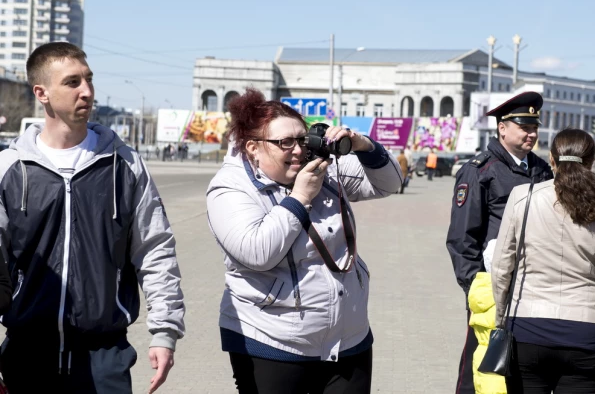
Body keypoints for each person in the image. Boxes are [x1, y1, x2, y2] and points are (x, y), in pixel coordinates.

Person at [0, 42, 185, 394]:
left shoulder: (125, 164)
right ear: (42, 93)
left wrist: (164, 332)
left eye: (89, 80)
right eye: (72, 82)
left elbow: (155, 250)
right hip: (26, 353)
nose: (87, 91)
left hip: (105, 356)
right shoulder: (10, 169)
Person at [206, 88, 402, 393]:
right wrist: (299, 197)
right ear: (253, 148)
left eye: (302, 139)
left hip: (348, 339)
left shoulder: (321, 167)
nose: (298, 150)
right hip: (271, 342)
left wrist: (363, 145)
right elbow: (258, 252)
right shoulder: (229, 189)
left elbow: (390, 183)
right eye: (284, 143)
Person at [492, 128, 595, 393]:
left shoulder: (522, 198)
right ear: (591, 161)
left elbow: (502, 268)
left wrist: (500, 319)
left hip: (527, 329)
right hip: (586, 336)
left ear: (551, 159)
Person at [445, 91, 553, 394]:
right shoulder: (479, 170)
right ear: (502, 128)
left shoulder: (541, 170)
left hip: (533, 287)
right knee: (480, 367)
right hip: (492, 288)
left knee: (522, 369)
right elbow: (461, 238)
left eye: (534, 127)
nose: (531, 133)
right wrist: (476, 288)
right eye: (524, 127)